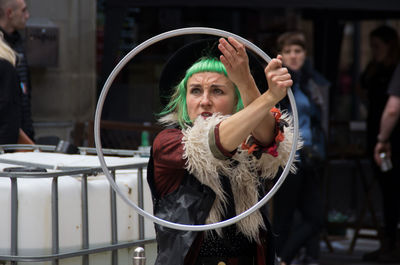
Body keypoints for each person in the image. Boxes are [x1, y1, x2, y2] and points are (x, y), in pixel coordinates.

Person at [146, 36, 300, 265]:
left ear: (237, 101)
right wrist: (269, 97)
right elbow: (213, 143)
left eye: (217, 91)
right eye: (196, 91)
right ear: (183, 99)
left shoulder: (249, 141)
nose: (205, 101)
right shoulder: (168, 142)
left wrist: (246, 83)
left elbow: (269, 140)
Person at [272, 31, 330, 265]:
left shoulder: (311, 82)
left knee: (315, 217)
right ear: (281, 56)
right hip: (287, 157)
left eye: (298, 51)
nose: (294, 56)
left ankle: (283, 258)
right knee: (284, 218)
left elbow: (319, 119)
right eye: (288, 51)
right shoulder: (277, 84)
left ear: (305, 54)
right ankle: (279, 258)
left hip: (311, 157)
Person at [359, 25, 400, 263]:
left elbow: (393, 109)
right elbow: (361, 87)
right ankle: (388, 241)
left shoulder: (395, 69)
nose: (373, 51)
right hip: (376, 133)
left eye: (377, 46)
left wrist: (383, 138)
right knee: (386, 191)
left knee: (393, 190)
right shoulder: (374, 68)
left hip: (391, 138)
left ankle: (393, 243)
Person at [0, 0, 34, 141]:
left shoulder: (18, 42)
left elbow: (26, 90)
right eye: (23, 10)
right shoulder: (4, 57)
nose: (27, 15)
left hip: (22, 126)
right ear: (9, 13)